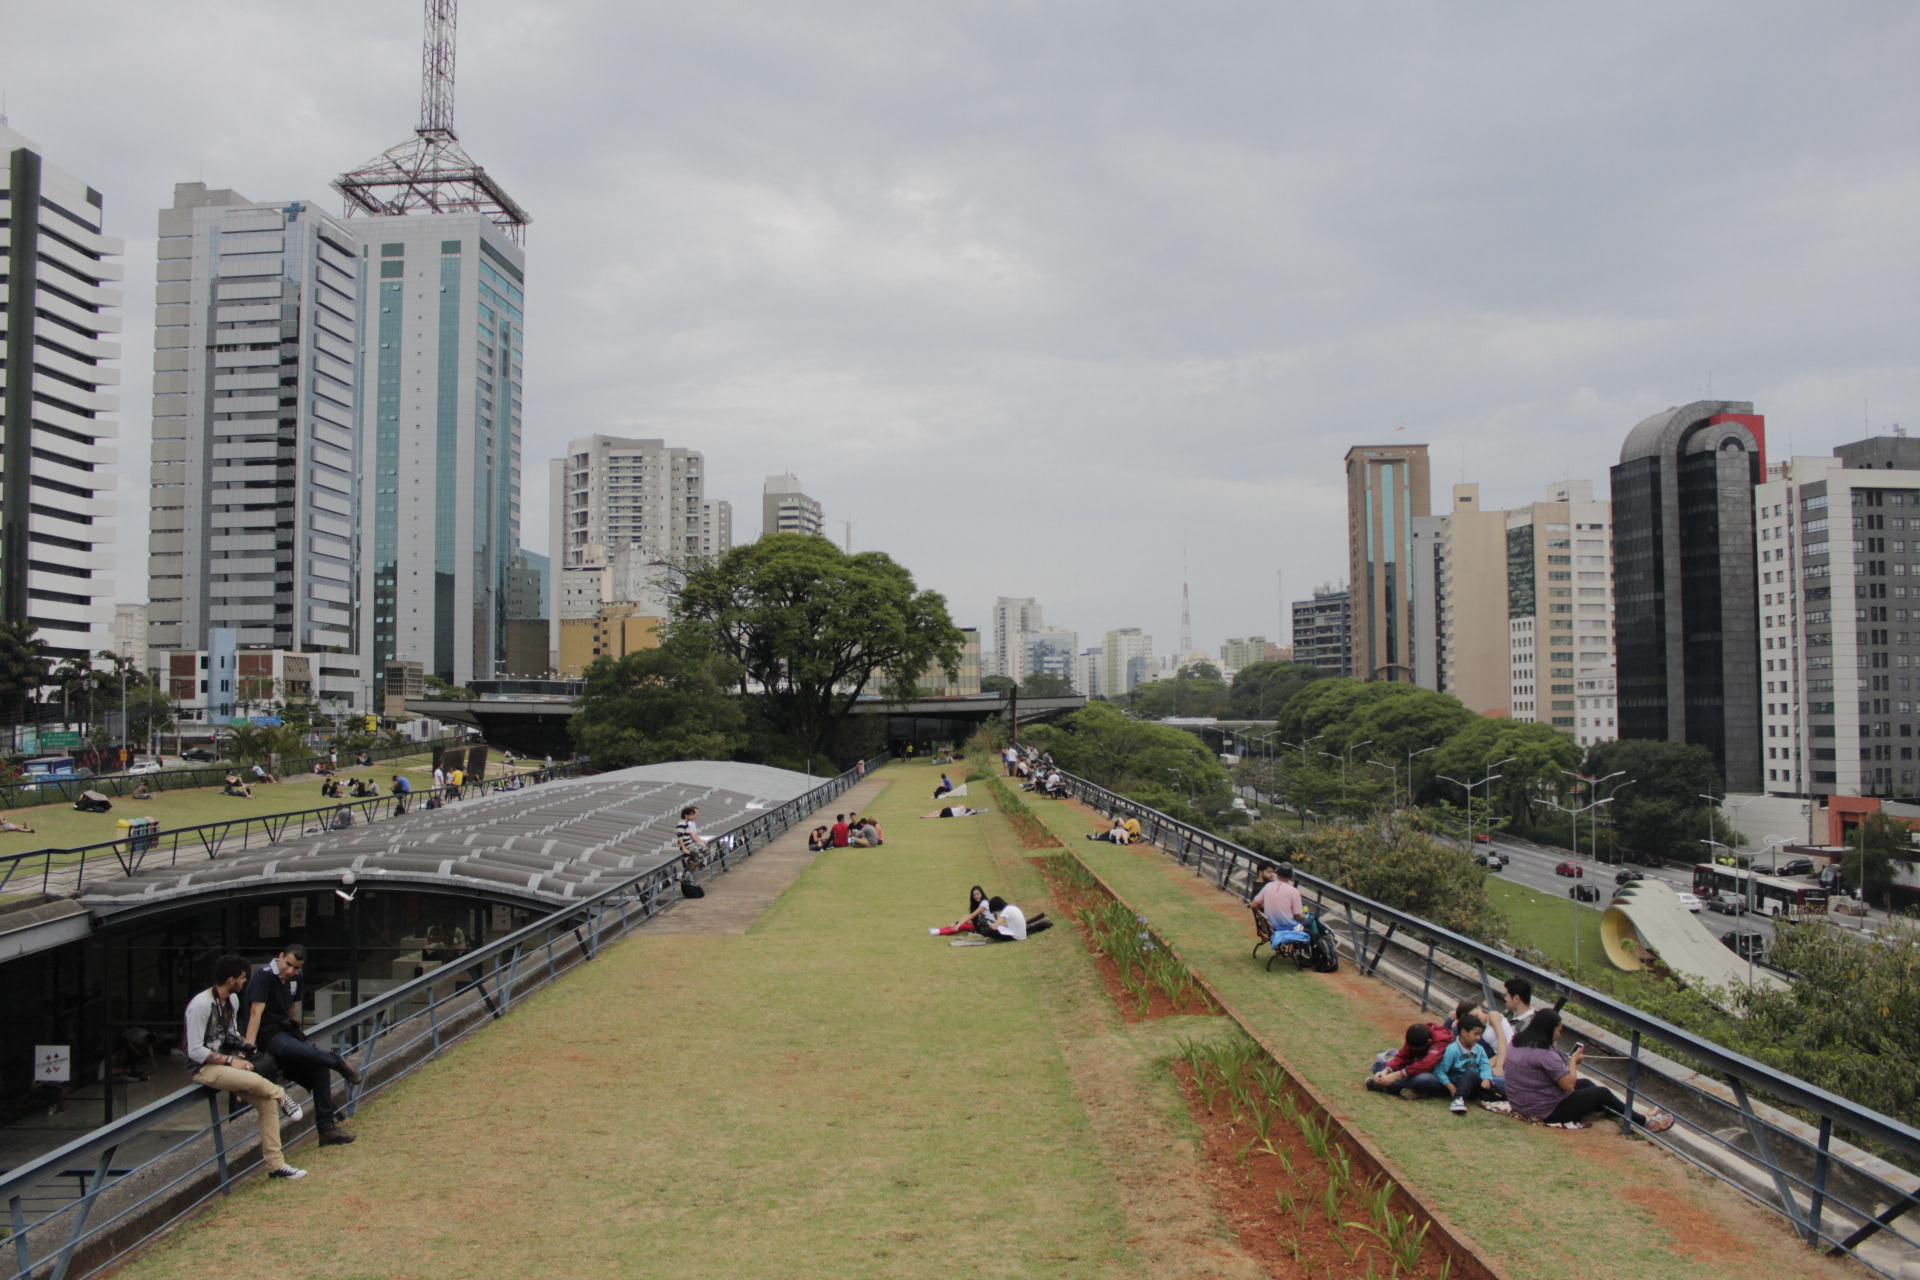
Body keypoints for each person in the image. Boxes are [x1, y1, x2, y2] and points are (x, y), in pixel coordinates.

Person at [186, 955, 307, 1180]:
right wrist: (230, 1061)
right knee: (257, 1082)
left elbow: (231, 1034)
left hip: (228, 1062)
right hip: (204, 1068)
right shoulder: (200, 1005)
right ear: (231, 980)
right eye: (242, 978)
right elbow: (194, 1051)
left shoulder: (232, 1000)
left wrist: (243, 1048)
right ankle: (282, 1095)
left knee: (267, 1105)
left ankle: (276, 1165)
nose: (244, 982)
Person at [243, 944, 364, 1146]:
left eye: (296, 967)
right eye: (288, 964)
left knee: (319, 1069)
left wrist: (296, 1030)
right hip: (269, 1037)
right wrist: (249, 1048)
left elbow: (293, 1007)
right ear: (280, 956)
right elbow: (255, 1013)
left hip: (286, 1034)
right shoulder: (264, 976)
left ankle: (327, 1129)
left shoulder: (297, 977)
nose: (290, 970)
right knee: (291, 1048)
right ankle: (336, 1061)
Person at [1503, 1010, 1671, 1130]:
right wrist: (1574, 1061)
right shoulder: (1545, 1054)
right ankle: (1645, 1122)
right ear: (1549, 1029)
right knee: (1602, 1093)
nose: (1560, 1035)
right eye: (1559, 1030)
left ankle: (1630, 1114)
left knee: (1587, 1084)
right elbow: (1568, 1085)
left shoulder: (1517, 1042)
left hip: (1521, 1103)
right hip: (1544, 1111)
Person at [1366, 1023, 1454, 1099]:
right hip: (1415, 1067)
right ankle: (1411, 1089)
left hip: (1436, 1075)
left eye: (1416, 1048)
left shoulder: (1441, 1041)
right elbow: (1403, 1056)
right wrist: (1386, 1071)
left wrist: (1397, 1075)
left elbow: (1426, 1065)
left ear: (1429, 1042)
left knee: (1424, 1079)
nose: (1413, 1049)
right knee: (1378, 1065)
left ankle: (1386, 1087)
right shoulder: (1416, 1034)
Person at [1436, 1013, 1497, 1114]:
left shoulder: (1479, 1049)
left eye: (1480, 1035)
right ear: (1464, 1032)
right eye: (1476, 1034)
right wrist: (1451, 1087)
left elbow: (1485, 1065)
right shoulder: (1452, 1050)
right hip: (1457, 1084)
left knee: (1497, 1084)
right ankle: (1458, 1100)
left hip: (1474, 1085)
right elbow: (1439, 1071)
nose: (1479, 1038)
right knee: (1471, 1073)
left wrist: (1486, 1078)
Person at [1250, 863, 1305, 934]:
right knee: (1310, 922)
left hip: (1270, 926)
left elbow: (1253, 905)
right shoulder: (1294, 892)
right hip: (1288, 928)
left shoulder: (1268, 886)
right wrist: (1303, 917)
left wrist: (1268, 906)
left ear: (1277, 874)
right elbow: (1298, 917)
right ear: (1291, 877)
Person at [978, 896, 1053, 942]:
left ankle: (982, 935)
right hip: (1021, 934)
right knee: (997, 928)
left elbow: (994, 927)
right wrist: (1003, 925)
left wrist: (992, 926)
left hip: (1015, 937)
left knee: (990, 930)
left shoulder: (1005, 911)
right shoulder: (1012, 907)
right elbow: (1013, 924)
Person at [920, 805, 988, 818]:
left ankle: (925, 816)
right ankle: (925, 816)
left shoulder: (965, 810)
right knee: (938, 814)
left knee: (938, 813)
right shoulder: (965, 812)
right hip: (951, 812)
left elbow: (960, 806)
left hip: (951, 811)